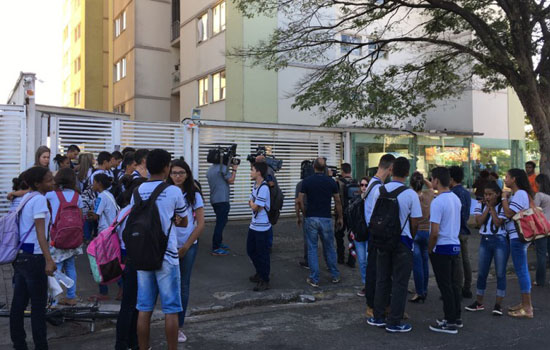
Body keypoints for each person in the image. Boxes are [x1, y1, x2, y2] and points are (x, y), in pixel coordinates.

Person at [132, 149, 187, 350]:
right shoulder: (173, 191)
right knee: (171, 310)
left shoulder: (137, 191)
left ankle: (143, 348)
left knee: (144, 308)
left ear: (147, 167)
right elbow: (184, 221)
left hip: (143, 254)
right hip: (167, 255)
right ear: (166, 168)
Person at [366, 157, 421, 333]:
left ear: (392, 170)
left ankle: (377, 316)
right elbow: (415, 221)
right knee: (400, 282)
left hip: (381, 241)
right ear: (407, 173)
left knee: (382, 278)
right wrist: (410, 235)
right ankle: (394, 321)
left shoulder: (379, 190)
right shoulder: (411, 194)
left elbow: (375, 216)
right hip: (402, 242)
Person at [10, 166, 57, 350]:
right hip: (35, 258)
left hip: (21, 256)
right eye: (48, 180)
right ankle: (40, 345)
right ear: (38, 183)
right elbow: (40, 233)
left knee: (18, 304)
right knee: (38, 308)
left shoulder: (25, 198)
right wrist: (49, 260)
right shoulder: (38, 200)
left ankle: (19, 344)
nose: (53, 182)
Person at [167, 159, 205, 342]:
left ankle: (178, 326)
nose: (177, 176)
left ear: (188, 174)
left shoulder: (194, 194)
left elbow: (201, 223)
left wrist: (186, 246)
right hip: (167, 246)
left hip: (188, 246)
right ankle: (169, 322)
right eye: (174, 173)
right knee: (167, 285)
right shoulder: (165, 193)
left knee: (183, 286)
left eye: (181, 173)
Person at [428, 167, 463, 334]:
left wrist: (430, 248)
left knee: (445, 286)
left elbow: (434, 231)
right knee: (454, 285)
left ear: (435, 180)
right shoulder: (455, 199)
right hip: (455, 245)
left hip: (441, 247)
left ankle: (449, 322)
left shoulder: (437, 201)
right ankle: (456, 316)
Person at [298, 157, 343, 287]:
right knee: (329, 247)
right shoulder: (331, 182)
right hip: (326, 218)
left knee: (312, 248)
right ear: (325, 168)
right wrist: (340, 217)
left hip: (311, 217)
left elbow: (300, 200)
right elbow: (338, 201)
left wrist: (303, 213)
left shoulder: (307, 181)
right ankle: (335, 275)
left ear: (314, 167)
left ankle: (314, 278)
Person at [465, 181, 509, 316]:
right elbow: (479, 221)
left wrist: (493, 209)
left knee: (500, 273)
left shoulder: (503, 207)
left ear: (497, 194)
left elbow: (498, 222)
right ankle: (479, 302)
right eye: (486, 194)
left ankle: (498, 304)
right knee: (482, 272)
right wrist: (487, 208)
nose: (488, 197)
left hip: (500, 240)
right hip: (485, 240)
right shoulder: (481, 205)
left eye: (490, 194)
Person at [115, 177, 147, 350]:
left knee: (130, 304)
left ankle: (128, 341)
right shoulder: (138, 212)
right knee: (133, 305)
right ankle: (126, 342)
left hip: (124, 258)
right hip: (135, 259)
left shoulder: (125, 210)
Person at [45, 168, 84, 306]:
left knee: (56, 268)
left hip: (58, 238)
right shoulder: (77, 196)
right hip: (73, 238)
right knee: (71, 266)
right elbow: (81, 216)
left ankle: (54, 300)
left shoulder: (52, 195)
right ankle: (71, 296)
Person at [363, 154, 395, 318]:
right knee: (375, 270)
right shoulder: (378, 188)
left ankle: (378, 304)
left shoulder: (372, 184)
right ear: (390, 169)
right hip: (376, 234)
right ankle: (372, 305)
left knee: (376, 269)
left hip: (372, 232)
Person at [502, 168, 534, 318]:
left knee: (522, 271)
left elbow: (509, 214)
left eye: (507, 177)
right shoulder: (519, 194)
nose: (505, 179)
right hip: (516, 236)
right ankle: (524, 303)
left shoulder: (520, 194)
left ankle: (527, 307)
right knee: (521, 270)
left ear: (514, 179)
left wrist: (503, 198)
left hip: (517, 237)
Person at [87, 173, 119, 302]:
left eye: (94, 182)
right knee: (112, 260)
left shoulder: (101, 197)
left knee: (99, 261)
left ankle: (103, 292)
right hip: (112, 231)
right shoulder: (109, 195)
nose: (92, 185)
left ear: (99, 183)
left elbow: (95, 216)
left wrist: (87, 213)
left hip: (104, 233)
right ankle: (120, 288)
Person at [247, 162, 273, 292]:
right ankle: (259, 272)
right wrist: (253, 203)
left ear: (258, 172)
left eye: (252, 170)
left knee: (263, 253)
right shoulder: (255, 185)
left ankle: (265, 279)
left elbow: (256, 206)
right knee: (250, 250)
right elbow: (251, 202)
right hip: (254, 225)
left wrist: (253, 203)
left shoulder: (264, 187)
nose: (250, 172)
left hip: (262, 227)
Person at [409, 172, 434, 303]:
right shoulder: (429, 194)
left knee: (417, 264)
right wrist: (423, 178)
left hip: (416, 231)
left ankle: (419, 292)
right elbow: (430, 186)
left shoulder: (411, 196)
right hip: (427, 231)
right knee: (425, 261)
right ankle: (424, 289)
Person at [449, 166, 473, 299]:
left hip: (455, 231)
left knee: (456, 262)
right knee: (465, 260)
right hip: (464, 230)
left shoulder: (453, 193)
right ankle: (467, 287)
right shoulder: (465, 192)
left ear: (451, 179)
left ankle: (456, 287)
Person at [206, 159, 238, 255]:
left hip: (214, 199)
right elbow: (231, 180)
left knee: (220, 222)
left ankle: (219, 242)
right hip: (222, 200)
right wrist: (234, 169)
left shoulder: (210, 169)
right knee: (220, 224)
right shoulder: (222, 168)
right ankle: (216, 247)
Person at [335, 163, 357, 267]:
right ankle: (352, 260)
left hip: (341, 212)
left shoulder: (338, 182)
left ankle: (340, 257)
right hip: (353, 214)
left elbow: (336, 198)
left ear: (342, 171)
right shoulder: (356, 182)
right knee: (352, 237)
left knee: (339, 235)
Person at [354, 177, 370, 297]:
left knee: (369, 259)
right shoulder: (356, 200)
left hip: (370, 234)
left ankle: (370, 285)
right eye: (362, 185)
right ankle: (366, 285)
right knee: (362, 260)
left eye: (366, 185)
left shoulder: (373, 200)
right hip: (359, 234)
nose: (364, 187)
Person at [534, 174, 550, 286]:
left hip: (543, 227)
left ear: (539, 183)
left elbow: (534, 210)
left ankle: (540, 280)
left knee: (541, 254)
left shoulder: (539, 195)